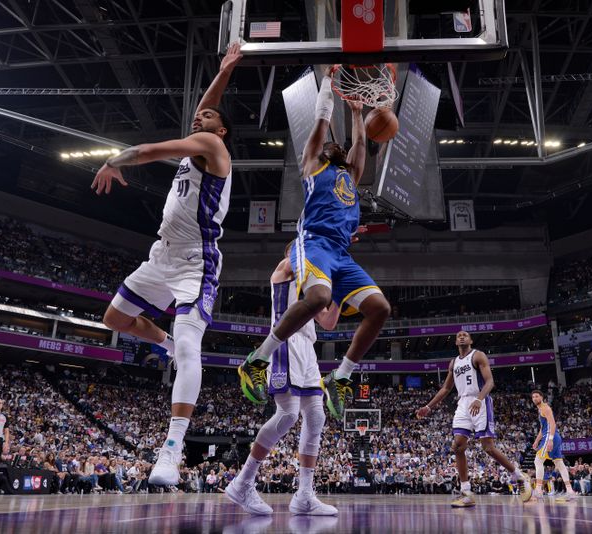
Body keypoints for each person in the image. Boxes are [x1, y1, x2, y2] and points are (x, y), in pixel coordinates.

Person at [92, 43, 243, 486]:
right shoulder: (199, 142)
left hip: (197, 260)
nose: (201, 117)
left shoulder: (211, 145)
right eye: (201, 117)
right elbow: (205, 105)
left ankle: (172, 451)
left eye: (210, 118)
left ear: (222, 131)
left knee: (191, 342)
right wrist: (226, 70)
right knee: (116, 318)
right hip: (162, 255)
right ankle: (167, 344)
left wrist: (112, 160)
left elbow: (147, 150)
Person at [238, 66, 391, 418]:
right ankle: (257, 360)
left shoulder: (350, 175)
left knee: (380, 309)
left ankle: (340, 377)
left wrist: (356, 112)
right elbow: (321, 123)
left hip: (341, 253)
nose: (336, 146)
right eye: (330, 145)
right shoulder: (313, 165)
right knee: (319, 297)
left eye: (340, 147)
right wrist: (328, 81)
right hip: (314, 242)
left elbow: (359, 144)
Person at [226, 243, 340, 516]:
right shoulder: (284, 269)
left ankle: (304, 495)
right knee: (288, 414)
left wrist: (341, 291)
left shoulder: (314, 286)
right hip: (284, 343)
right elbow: (295, 261)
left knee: (316, 418)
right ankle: (243, 482)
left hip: (308, 351)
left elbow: (329, 323)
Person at [415, 330, 531, 507]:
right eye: (458, 335)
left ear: (470, 340)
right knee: (458, 446)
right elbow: (446, 388)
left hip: (480, 400)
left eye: (465, 335)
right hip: (463, 404)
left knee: (488, 448)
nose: (461, 336)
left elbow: (490, 381)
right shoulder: (453, 362)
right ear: (455, 342)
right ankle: (467, 491)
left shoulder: (478, 355)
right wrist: (428, 406)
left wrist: (479, 399)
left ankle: (518, 475)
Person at [530, 390, 577, 500]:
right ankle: (570, 491)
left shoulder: (545, 408)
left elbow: (553, 424)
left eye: (537, 396)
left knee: (538, 461)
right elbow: (543, 428)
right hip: (552, 436)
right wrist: (537, 441)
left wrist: (550, 439)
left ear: (541, 397)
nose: (535, 399)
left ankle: (538, 490)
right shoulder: (540, 409)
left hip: (550, 436)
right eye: (533, 397)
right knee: (559, 463)